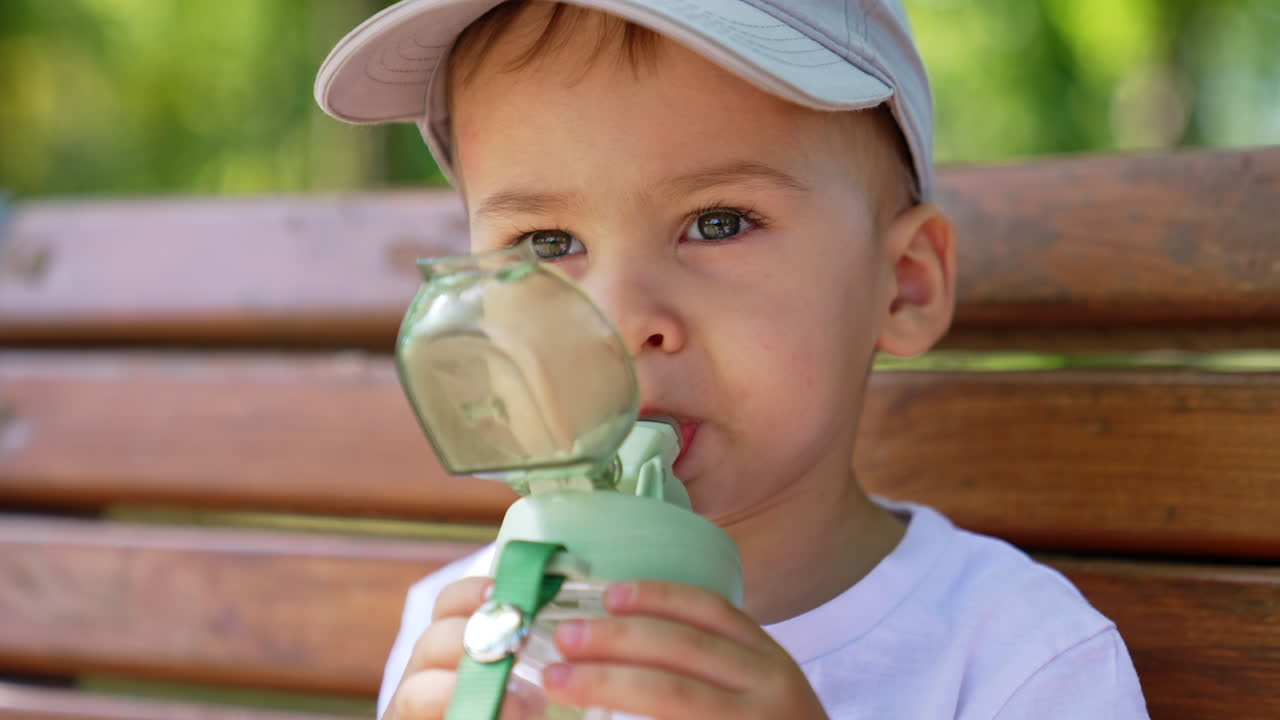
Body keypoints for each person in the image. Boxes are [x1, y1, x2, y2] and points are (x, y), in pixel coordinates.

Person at [315, 1, 1149, 717]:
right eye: (546, 242)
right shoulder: (467, 633)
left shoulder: (1017, 659)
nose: (617, 319)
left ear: (900, 285)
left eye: (717, 223)